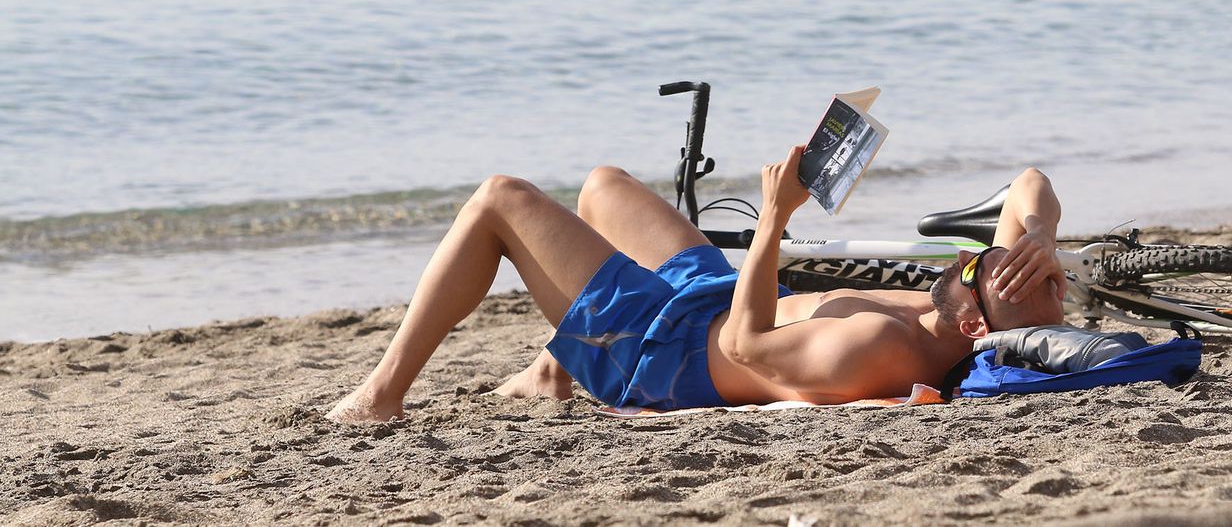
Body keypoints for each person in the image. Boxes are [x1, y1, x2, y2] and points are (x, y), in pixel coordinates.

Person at [326, 148, 1067, 421]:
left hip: (660, 353)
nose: (1000, 261)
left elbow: (748, 347)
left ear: (977, 326)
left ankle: (381, 393)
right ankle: (554, 365)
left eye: (1012, 278)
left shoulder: (880, 345)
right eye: (1006, 259)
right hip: (706, 300)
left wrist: (773, 219)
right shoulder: (965, 301)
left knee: (499, 199)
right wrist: (1036, 240)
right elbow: (1030, 183)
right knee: (604, 186)